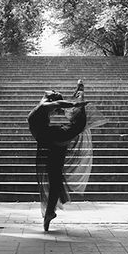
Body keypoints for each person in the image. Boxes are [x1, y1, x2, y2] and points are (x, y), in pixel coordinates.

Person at [27, 79, 106, 231]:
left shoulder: (41, 104)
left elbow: (55, 103)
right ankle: (80, 92)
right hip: (50, 137)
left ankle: (49, 213)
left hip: (48, 141)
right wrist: (76, 103)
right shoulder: (45, 105)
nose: (56, 113)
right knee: (78, 124)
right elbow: (58, 104)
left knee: (55, 178)